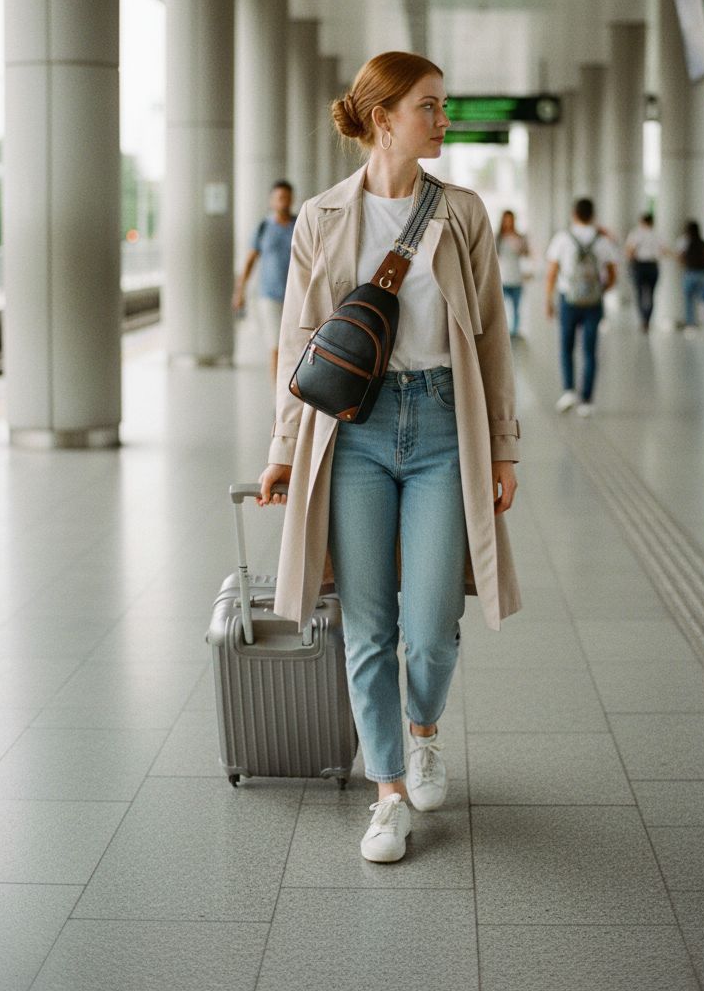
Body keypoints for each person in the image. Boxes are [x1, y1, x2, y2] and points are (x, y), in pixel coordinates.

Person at [257, 51, 521, 864]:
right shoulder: (322, 219)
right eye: (431, 108)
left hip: (444, 426)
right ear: (384, 120)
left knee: (434, 625)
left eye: (444, 108)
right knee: (367, 627)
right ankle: (389, 794)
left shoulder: (465, 214)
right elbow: (298, 345)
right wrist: (283, 451)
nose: (444, 121)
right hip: (354, 434)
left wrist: (503, 446)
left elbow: (490, 336)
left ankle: (424, 731)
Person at [545, 197, 618, 417]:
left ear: (574, 214)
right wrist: (599, 290)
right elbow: (613, 274)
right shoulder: (602, 241)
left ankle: (568, 391)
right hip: (594, 303)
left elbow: (552, 273)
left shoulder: (563, 238)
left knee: (566, 347)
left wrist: (548, 300)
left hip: (568, 299)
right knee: (590, 350)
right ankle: (587, 400)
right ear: (593, 215)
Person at [232, 181, 296, 382]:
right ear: (272, 201)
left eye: (286, 197)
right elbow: (250, 261)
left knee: (295, 347)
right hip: (270, 296)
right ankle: (277, 398)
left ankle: (293, 392)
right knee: (276, 347)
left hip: (296, 295)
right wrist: (239, 292)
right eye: (279, 198)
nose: (283, 202)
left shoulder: (299, 224)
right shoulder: (264, 227)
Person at [625, 211, 663, 332]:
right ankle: (647, 319)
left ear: (642, 221)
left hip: (639, 266)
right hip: (653, 265)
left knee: (640, 294)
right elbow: (663, 250)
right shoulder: (657, 235)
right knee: (651, 294)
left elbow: (630, 252)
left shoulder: (636, 234)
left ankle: (643, 319)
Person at [496, 209, 530, 338]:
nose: (508, 222)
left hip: (516, 277)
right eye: (506, 220)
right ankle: (502, 331)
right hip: (502, 278)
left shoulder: (519, 237)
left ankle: (515, 331)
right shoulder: (498, 238)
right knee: (501, 309)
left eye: (510, 220)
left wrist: (521, 245)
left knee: (516, 308)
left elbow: (526, 253)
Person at [676, 219, 704, 334]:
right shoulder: (703, 243)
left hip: (690, 273)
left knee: (689, 301)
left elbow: (680, 257)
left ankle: (691, 324)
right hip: (702, 274)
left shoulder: (686, 242)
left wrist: (684, 263)